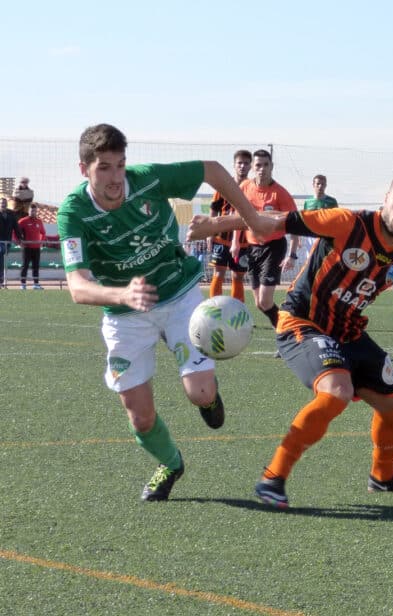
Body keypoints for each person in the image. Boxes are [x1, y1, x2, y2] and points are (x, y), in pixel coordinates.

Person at [186, 170, 393, 508]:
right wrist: (215, 226)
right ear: (386, 198)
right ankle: (273, 477)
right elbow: (271, 222)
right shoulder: (347, 222)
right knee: (336, 392)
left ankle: (383, 477)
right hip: (302, 323)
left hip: (349, 332)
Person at [57, 123, 276, 502]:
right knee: (139, 418)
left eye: (120, 165)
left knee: (199, 390)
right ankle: (171, 463)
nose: (115, 178)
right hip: (125, 313)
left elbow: (211, 169)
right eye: (104, 168)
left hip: (179, 294)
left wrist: (251, 217)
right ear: (84, 169)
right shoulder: (73, 212)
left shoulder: (148, 179)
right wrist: (122, 294)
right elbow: (77, 286)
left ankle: (208, 397)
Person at [234, 149, 299, 328]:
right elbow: (238, 216)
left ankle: (289, 331)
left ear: (271, 167)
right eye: (258, 165)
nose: (262, 169)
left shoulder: (280, 193)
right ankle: (286, 330)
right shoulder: (245, 187)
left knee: (265, 300)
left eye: (265, 165)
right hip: (253, 248)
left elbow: (295, 224)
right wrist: (235, 243)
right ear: (253, 168)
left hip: (274, 247)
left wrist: (292, 254)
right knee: (259, 303)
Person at [208, 149, 252, 301]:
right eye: (240, 163)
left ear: (250, 166)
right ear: (234, 165)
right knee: (218, 273)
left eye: (246, 163)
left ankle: (237, 313)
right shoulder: (223, 185)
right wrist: (210, 234)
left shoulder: (253, 188)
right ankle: (214, 311)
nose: (242, 166)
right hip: (221, 238)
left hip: (243, 241)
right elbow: (214, 210)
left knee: (237, 276)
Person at [300, 174, 338, 256]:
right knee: (310, 258)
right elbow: (304, 220)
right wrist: (300, 237)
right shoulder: (308, 202)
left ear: (326, 185)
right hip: (311, 235)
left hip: (326, 235)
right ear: (313, 185)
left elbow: (337, 220)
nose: (320, 186)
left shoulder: (332, 201)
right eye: (318, 184)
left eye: (323, 184)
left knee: (324, 258)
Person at [16, 203, 46, 290]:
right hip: (27, 248)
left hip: (36, 248)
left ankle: (36, 284)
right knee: (25, 266)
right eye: (32, 210)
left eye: (35, 211)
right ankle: (23, 285)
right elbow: (15, 232)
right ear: (28, 211)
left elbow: (43, 233)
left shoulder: (39, 221)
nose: (34, 212)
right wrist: (19, 242)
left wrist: (41, 241)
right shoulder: (23, 221)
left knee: (36, 266)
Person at [0, 198, 23, 289]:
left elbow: (16, 227)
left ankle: (2, 279)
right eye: (1, 203)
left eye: (4, 203)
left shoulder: (11, 214)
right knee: (0, 252)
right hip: (0, 241)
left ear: (6, 204)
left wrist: (20, 239)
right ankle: (1, 279)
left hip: (7, 241)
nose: (3, 204)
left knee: (2, 256)